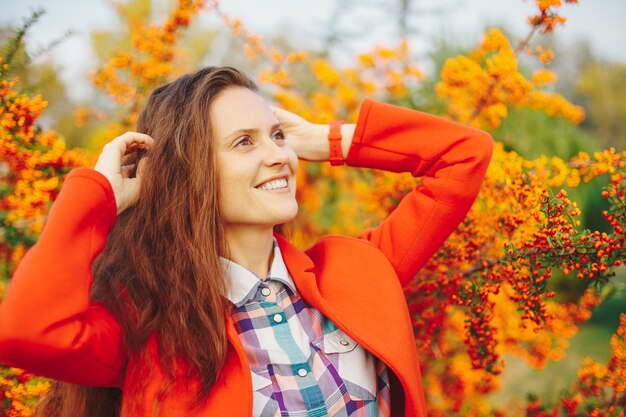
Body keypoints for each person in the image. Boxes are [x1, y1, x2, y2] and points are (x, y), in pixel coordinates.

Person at [0, 66, 493, 417]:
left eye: (277, 136)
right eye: (244, 142)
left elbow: (465, 154)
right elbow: (26, 331)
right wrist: (101, 195)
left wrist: (329, 140)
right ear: (189, 174)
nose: (279, 155)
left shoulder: (359, 270)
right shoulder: (150, 328)